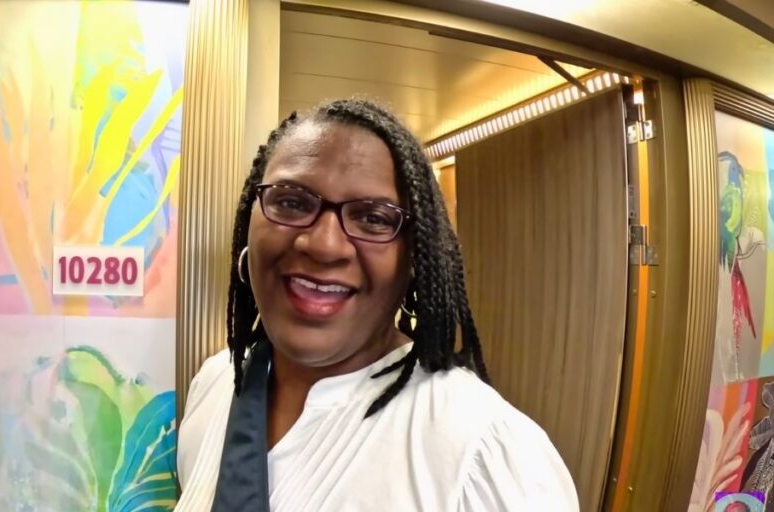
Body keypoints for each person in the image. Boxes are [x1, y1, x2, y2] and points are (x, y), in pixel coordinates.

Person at [175, 99, 578, 511]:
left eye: (374, 218)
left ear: (414, 260)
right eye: (292, 202)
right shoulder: (216, 382)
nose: (323, 245)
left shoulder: (482, 450)